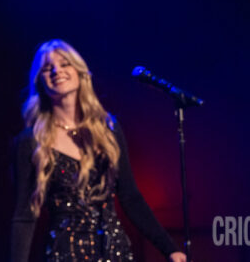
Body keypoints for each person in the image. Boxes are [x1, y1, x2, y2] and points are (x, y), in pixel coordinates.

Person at [10, 40, 187, 262]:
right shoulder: (32, 141)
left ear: (79, 72)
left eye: (65, 64)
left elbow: (130, 196)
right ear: (40, 81)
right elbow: (25, 216)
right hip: (65, 254)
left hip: (114, 251)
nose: (57, 71)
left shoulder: (108, 129)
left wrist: (169, 248)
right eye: (47, 68)